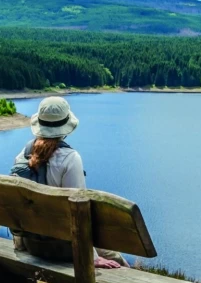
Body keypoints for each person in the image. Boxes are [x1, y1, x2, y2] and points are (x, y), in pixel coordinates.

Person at [10, 96, 128, 269]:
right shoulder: (70, 159)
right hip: (62, 247)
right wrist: (92, 257)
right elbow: (80, 212)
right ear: (66, 127)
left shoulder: (23, 155)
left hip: (30, 243)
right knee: (117, 260)